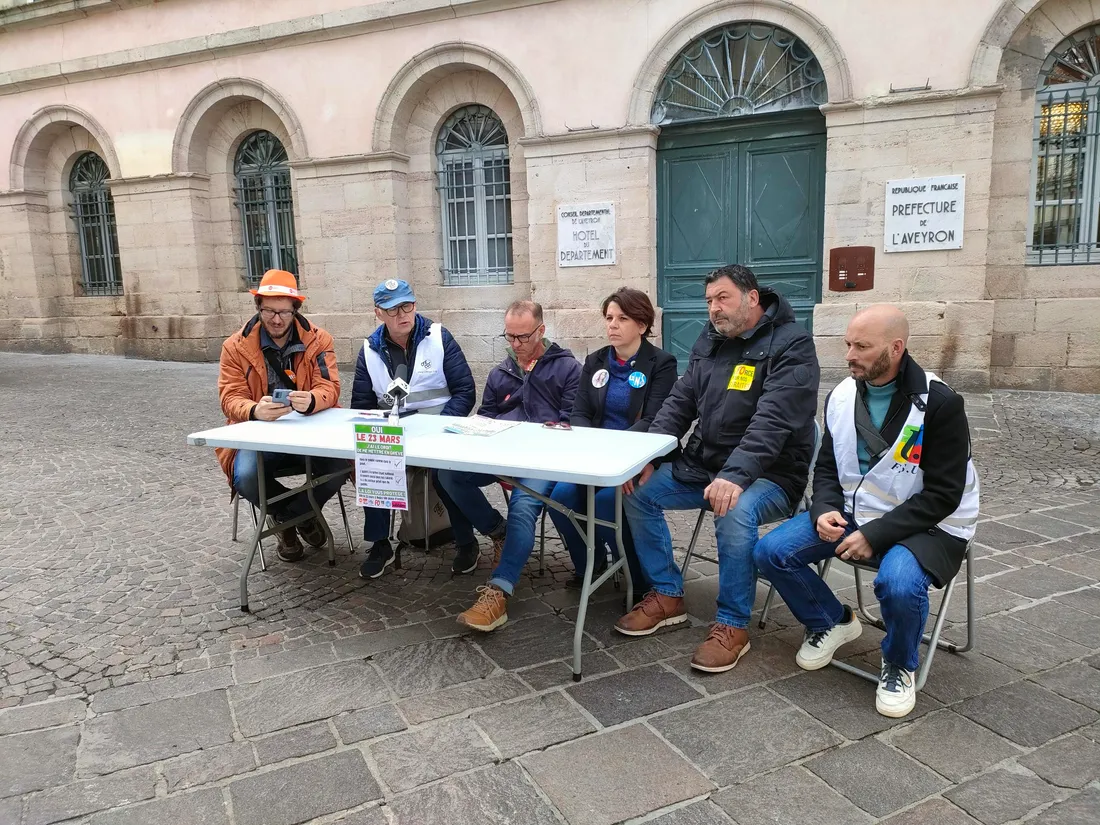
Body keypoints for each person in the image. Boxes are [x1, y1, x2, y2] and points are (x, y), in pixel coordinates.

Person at [753, 305, 979, 718]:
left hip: (930, 526)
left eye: (862, 346)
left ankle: (899, 663)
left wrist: (874, 535)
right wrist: (823, 509)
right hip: (857, 511)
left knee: (897, 583)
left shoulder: (940, 402)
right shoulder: (840, 396)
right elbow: (827, 467)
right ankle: (831, 621)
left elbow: (944, 495)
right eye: (848, 345)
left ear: (896, 348)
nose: (849, 355)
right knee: (771, 552)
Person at [614, 264, 820, 674]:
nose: (713, 308)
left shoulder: (793, 344)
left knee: (734, 508)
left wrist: (735, 475)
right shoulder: (710, 339)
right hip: (705, 465)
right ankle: (667, 593)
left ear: (752, 298)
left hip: (772, 474)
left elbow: (773, 421)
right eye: (709, 300)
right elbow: (680, 402)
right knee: (637, 491)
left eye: (722, 298)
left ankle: (732, 624)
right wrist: (649, 456)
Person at [449, 300, 581, 628]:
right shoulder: (500, 373)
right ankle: (499, 531)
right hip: (500, 456)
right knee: (449, 474)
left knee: (522, 507)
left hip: (543, 461)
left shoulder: (568, 368)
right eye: (510, 336)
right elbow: (486, 417)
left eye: (523, 337)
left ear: (541, 330)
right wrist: (475, 431)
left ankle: (498, 592)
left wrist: (542, 435)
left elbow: (573, 423)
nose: (516, 344)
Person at [546, 287, 677, 591]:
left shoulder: (661, 363)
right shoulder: (596, 361)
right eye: (609, 318)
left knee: (606, 502)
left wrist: (617, 454)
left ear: (642, 325)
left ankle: (635, 577)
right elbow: (579, 412)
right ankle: (590, 565)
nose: (613, 325)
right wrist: (594, 447)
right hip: (594, 454)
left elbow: (654, 419)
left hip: (636, 456)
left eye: (622, 318)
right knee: (560, 497)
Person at [216, 269, 345, 561]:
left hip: (310, 431)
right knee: (246, 476)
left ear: (295, 310)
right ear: (258, 307)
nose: (276, 319)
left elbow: (329, 387)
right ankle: (302, 517)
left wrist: (312, 400)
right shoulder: (234, 346)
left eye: (284, 312)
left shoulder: (319, 340)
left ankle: (288, 518)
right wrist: (254, 410)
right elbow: (229, 398)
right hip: (258, 435)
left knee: (340, 465)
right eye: (269, 311)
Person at [351, 278, 476, 579]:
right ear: (378, 313)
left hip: (439, 430)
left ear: (415, 305)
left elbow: (465, 391)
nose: (402, 314)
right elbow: (361, 406)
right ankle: (380, 545)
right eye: (392, 310)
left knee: (446, 474)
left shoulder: (438, 337)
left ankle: (466, 542)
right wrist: (379, 433)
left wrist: (441, 427)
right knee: (374, 463)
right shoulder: (369, 349)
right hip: (395, 435)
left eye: (407, 306)